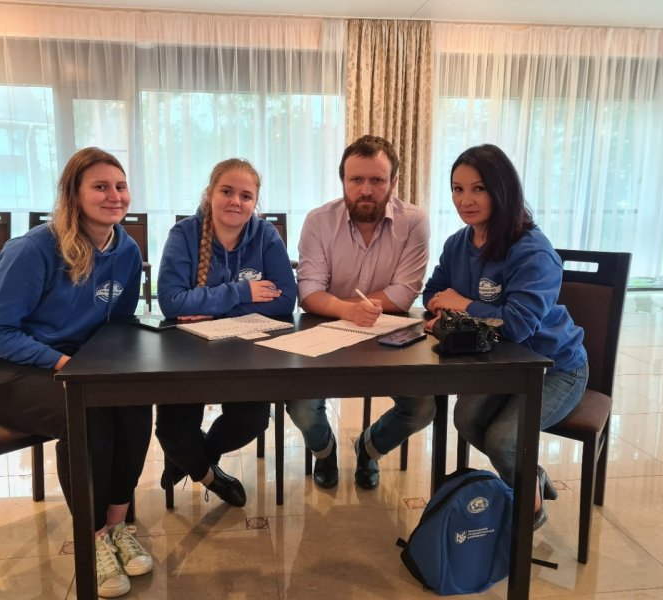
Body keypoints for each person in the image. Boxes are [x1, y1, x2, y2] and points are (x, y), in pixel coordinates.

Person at [0, 147, 153, 598]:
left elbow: (118, 323)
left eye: (120, 186)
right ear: (74, 193)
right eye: (100, 186)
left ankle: (117, 523)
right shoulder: (34, 249)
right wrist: (64, 363)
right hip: (1, 366)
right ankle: (93, 538)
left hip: (74, 361)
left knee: (134, 399)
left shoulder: (126, 250)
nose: (114, 195)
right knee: (85, 412)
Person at [423, 143, 588, 529]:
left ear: (502, 190)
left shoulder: (533, 252)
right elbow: (432, 293)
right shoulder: (458, 243)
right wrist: (445, 305)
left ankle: (531, 513)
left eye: (478, 188)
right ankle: (532, 475)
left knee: (504, 441)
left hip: (554, 368)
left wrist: (462, 304)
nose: (465, 200)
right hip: (497, 362)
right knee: (465, 420)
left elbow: (517, 325)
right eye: (457, 188)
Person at [291, 135, 435, 490]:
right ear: (343, 181)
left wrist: (345, 306)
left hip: (388, 338)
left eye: (377, 180)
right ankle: (325, 451)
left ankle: (369, 448)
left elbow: (404, 293)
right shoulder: (318, 221)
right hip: (324, 333)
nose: (366, 190)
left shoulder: (414, 221)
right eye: (356, 179)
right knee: (301, 405)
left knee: (422, 408)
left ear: (394, 183)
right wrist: (349, 311)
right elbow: (308, 292)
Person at [156, 158, 297, 507]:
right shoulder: (183, 235)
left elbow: (285, 301)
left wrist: (211, 305)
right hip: (187, 352)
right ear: (210, 193)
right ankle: (209, 475)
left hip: (246, 351)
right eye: (227, 192)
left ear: (255, 202)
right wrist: (243, 292)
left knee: (253, 419)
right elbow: (172, 302)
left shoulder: (265, 235)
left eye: (246, 196)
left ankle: (196, 458)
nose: (236, 201)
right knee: (173, 430)